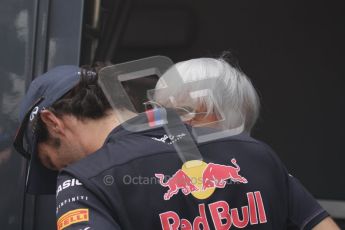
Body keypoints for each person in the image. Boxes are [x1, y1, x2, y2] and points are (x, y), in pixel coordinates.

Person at [13, 61, 339, 230]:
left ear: (53, 122)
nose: (63, 169)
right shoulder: (251, 150)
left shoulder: (81, 182)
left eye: (54, 161)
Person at [153, 57, 340, 230]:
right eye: (161, 112)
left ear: (226, 118)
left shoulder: (263, 168)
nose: (165, 124)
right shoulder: (143, 169)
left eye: (185, 112)